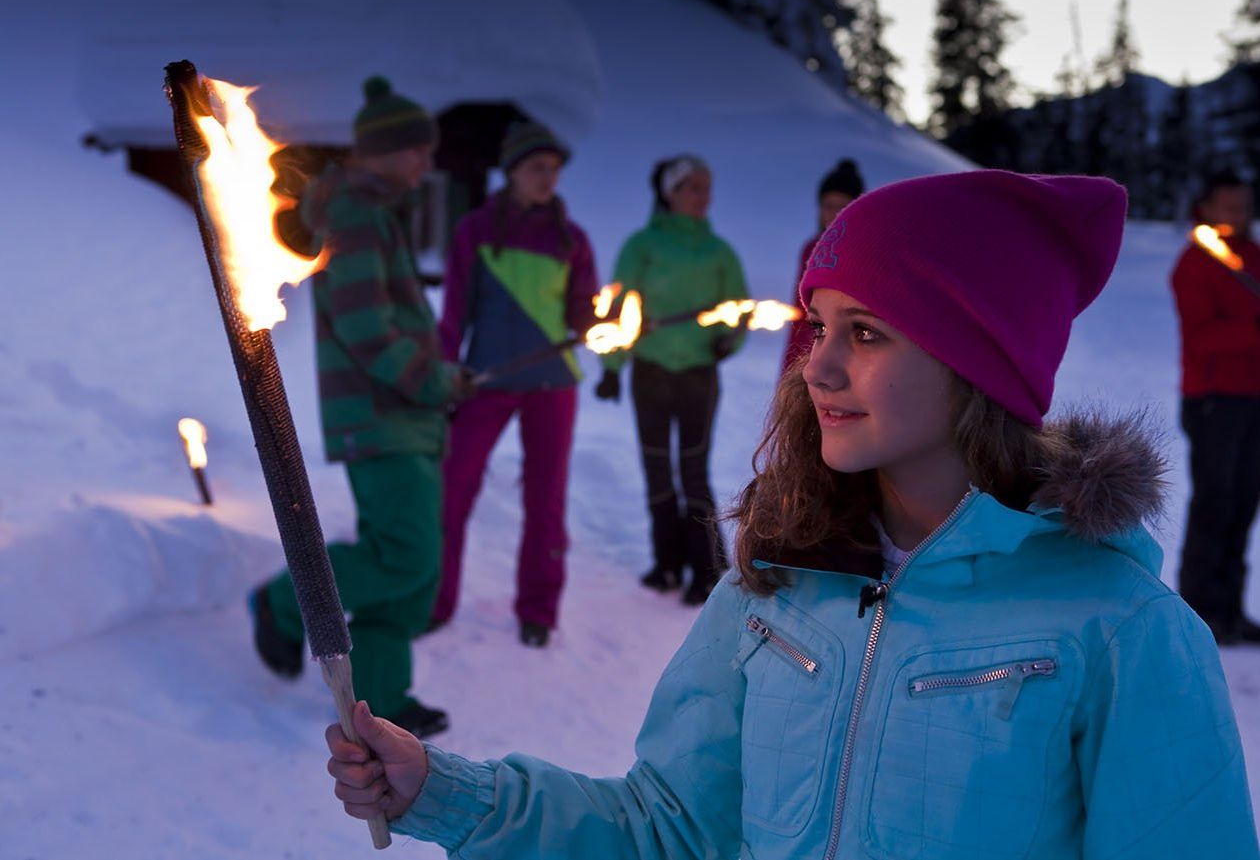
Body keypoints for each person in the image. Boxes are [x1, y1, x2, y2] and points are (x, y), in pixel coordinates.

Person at [325, 170, 1258, 859]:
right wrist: (444, 792)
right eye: (818, 324)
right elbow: (670, 829)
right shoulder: (773, 585)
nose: (816, 365)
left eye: (867, 331)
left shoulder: (1123, 629)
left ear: (980, 362)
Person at [249, 76, 472, 739]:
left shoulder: (376, 211)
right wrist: (433, 381)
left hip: (403, 415)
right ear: (381, 151)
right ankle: (283, 601)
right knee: (404, 554)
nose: (426, 165)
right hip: (379, 416)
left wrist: (439, 382)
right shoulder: (355, 213)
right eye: (416, 152)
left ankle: (381, 695)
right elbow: (365, 325)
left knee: (412, 564)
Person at [432, 121, 599, 648]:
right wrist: (447, 366)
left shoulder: (571, 239)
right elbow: (454, 310)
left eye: (553, 169)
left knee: (545, 497)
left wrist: (592, 321)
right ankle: (435, 599)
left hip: (552, 385)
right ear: (512, 172)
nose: (548, 178)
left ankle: (538, 609)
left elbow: (582, 310)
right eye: (536, 168)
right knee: (452, 487)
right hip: (486, 379)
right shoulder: (476, 230)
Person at [594, 155, 748, 605]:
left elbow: (738, 308)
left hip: (698, 372)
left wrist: (727, 342)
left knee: (693, 468)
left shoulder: (719, 252)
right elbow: (621, 310)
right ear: (669, 192)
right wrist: (611, 368)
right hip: (651, 371)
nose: (703, 196)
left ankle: (705, 569)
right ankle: (665, 564)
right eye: (693, 187)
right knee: (657, 466)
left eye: (707, 187)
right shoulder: (641, 246)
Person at [1171, 168, 1260, 644]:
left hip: (1252, 398)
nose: (1239, 215)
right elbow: (1202, 338)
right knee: (1215, 503)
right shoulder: (1195, 264)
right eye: (1229, 206)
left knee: (1244, 503)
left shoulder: (1252, 257)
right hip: (1212, 401)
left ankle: (1230, 609)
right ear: (1206, 208)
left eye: (1244, 206)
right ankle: (1200, 612)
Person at [782, 158, 865, 373]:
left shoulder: (863, 252)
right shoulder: (812, 249)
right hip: (806, 349)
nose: (834, 213)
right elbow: (800, 310)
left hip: (844, 353)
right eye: (829, 206)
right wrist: (790, 364)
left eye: (843, 206)